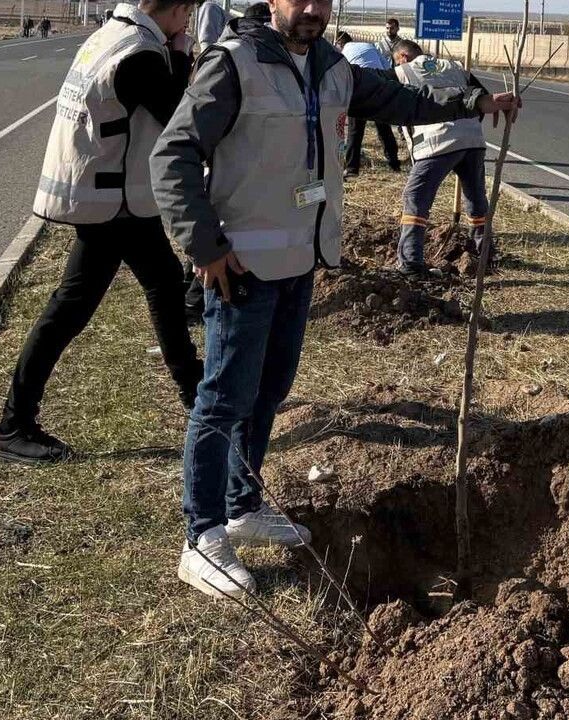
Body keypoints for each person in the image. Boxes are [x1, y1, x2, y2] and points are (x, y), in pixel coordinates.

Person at [150, 0, 519, 599]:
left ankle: (244, 505)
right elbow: (173, 155)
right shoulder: (233, 63)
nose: (314, 9)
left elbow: (403, 100)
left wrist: (474, 102)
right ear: (274, 1)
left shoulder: (331, 66)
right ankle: (203, 537)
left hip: (300, 262)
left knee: (270, 390)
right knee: (223, 399)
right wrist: (204, 243)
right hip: (241, 266)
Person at [0, 0, 202, 465]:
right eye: (188, 14)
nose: (188, 24)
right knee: (72, 309)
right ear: (178, 9)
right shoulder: (140, 56)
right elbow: (179, 115)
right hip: (112, 201)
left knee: (162, 284)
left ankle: (198, 394)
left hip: (111, 196)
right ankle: (13, 426)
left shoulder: (116, 34)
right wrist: (185, 54)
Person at [390, 39, 492, 276]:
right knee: (476, 198)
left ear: (403, 57)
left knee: (415, 197)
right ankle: (484, 254)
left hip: (436, 142)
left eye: (396, 60)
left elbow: (392, 106)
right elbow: (483, 99)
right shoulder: (454, 66)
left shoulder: (402, 71)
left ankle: (410, 263)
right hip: (472, 139)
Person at [335, 31, 400, 177]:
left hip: (359, 87)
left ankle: (352, 168)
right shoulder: (370, 46)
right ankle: (394, 163)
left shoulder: (343, 51)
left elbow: (340, 72)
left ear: (340, 43)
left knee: (355, 131)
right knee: (384, 126)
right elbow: (386, 66)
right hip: (378, 83)